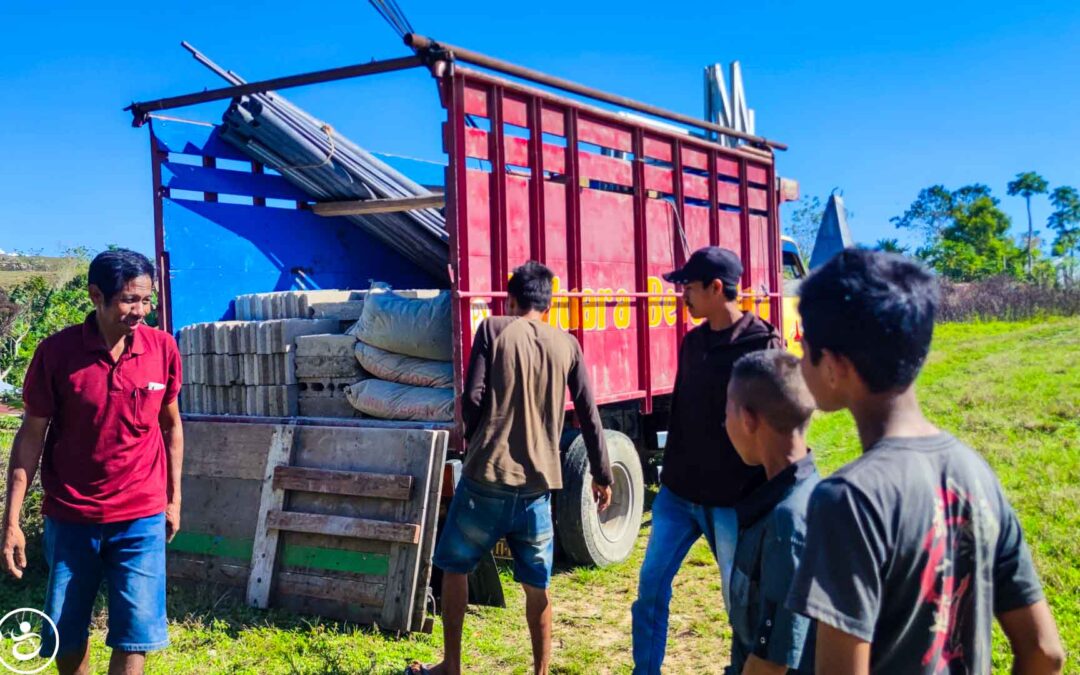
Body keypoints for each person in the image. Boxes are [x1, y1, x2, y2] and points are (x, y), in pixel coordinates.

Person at [786, 249, 1065, 674]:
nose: (800, 359)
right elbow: (1045, 651)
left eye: (805, 347)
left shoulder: (848, 499)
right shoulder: (976, 471)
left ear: (835, 365)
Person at [412, 261, 614, 675]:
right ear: (549, 303)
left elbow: (473, 397)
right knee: (536, 584)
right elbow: (590, 416)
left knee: (454, 566)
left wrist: (470, 439)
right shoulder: (567, 344)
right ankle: (539, 672)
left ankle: (452, 665)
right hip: (538, 486)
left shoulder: (493, 329)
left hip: (486, 478)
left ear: (512, 298)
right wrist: (602, 473)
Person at [2, 249, 184, 675]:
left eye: (145, 300)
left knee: (133, 634)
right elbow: (31, 436)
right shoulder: (57, 353)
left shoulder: (163, 349)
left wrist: (173, 500)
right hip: (71, 516)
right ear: (96, 296)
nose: (140, 311)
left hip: (141, 515)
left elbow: (171, 427)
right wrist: (11, 520)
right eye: (128, 300)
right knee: (65, 633)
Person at [632, 246, 782, 674]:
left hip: (732, 502)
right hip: (678, 496)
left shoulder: (762, 344)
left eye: (689, 287)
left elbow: (776, 428)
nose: (683, 295)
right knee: (650, 591)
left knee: (740, 605)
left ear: (717, 288)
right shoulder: (692, 341)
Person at [724, 350, 819, 674]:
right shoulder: (798, 496)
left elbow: (771, 664)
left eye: (727, 412)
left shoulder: (787, 523)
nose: (725, 424)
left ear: (749, 419)